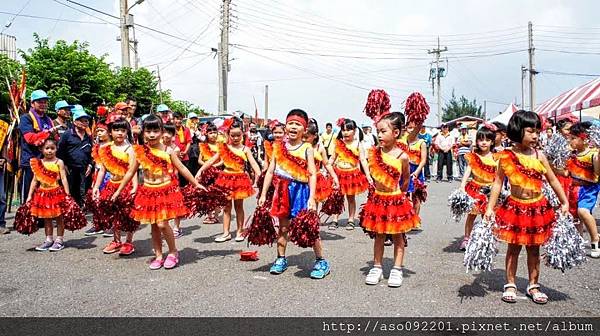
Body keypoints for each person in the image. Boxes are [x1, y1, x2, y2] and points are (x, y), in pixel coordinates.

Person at [485, 110, 568, 304]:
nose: (535, 136)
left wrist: (564, 201)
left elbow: (553, 180)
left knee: (534, 249)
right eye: (530, 131)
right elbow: (497, 183)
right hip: (515, 208)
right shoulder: (506, 156)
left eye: (537, 131)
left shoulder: (540, 155)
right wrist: (490, 208)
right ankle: (511, 284)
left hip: (537, 208)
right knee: (513, 248)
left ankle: (533, 285)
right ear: (517, 130)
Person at [111, 115, 203, 270]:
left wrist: (196, 183)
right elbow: (129, 172)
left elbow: (182, 168)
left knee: (162, 223)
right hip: (148, 192)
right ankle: (159, 255)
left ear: (161, 131)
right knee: (154, 226)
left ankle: (173, 252)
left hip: (165, 191)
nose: (152, 134)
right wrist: (118, 191)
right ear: (143, 132)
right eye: (148, 131)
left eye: (155, 130)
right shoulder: (140, 151)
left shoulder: (168, 150)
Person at [258, 109, 331, 279]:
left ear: (304, 130)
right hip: (282, 191)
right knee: (283, 227)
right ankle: (281, 258)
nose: (293, 127)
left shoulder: (307, 148)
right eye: (290, 123)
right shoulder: (278, 147)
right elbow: (270, 172)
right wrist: (262, 195)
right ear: (285, 126)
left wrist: (312, 198)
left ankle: (321, 261)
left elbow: (312, 173)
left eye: (297, 124)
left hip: (301, 191)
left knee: (309, 228)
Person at [361, 112, 419, 287]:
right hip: (378, 199)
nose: (379, 135)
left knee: (397, 236)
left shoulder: (402, 156)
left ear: (395, 133)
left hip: (395, 200)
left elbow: (406, 179)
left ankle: (397, 269)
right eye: (378, 131)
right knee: (379, 235)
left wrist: (399, 195)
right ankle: (377, 267)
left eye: (383, 131)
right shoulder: (374, 153)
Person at [196, 118, 261, 242]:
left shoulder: (245, 149)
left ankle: (239, 231)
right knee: (226, 207)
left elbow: (254, 163)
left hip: (240, 179)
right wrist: (200, 171)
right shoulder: (224, 147)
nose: (236, 138)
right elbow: (211, 160)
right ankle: (226, 233)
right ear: (228, 135)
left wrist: (260, 176)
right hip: (225, 178)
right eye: (233, 135)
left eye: (238, 135)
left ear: (243, 134)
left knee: (239, 206)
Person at [93, 115, 139, 255]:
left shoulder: (130, 149)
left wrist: (135, 187)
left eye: (123, 130)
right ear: (111, 132)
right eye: (116, 130)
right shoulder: (105, 148)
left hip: (127, 186)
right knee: (114, 214)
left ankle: (129, 242)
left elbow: (133, 171)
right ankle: (116, 240)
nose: (120, 133)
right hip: (111, 185)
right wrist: (96, 186)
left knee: (128, 215)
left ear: (127, 132)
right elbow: (102, 169)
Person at [327, 118, 372, 230]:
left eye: (349, 130)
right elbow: (332, 158)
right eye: (343, 130)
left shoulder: (358, 144)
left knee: (350, 198)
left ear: (354, 131)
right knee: (337, 197)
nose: (346, 132)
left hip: (352, 175)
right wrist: (326, 169)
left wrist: (368, 175)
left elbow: (363, 161)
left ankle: (351, 219)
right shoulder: (338, 144)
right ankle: (335, 219)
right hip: (338, 174)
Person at [19, 90, 61, 204]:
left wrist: (54, 136)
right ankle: (28, 220)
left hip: (47, 163)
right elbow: (30, 138)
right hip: (31, 162)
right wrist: (48, 133)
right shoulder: (26, 118)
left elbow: (55, 139)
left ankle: (42, 221)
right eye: (40, 102)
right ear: (32, 103)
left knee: (44, 194)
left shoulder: (48, 120)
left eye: (45, 102)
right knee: (29, 195)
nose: (43, 104)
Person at [27, 138, 70, 251]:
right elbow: (35, 181)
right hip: (43, 194)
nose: (50, 151)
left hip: (56, 193)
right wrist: (29, 195)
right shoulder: (39, 163)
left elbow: (64, 178)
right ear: (41, 149)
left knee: (59, 217)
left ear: (56, 149)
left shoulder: (59, 162)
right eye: (47, 148)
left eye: (52, 148)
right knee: (47, 218)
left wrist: (67, 194)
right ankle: (49, 239)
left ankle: (59, 240)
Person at [458, 125, 497, 250]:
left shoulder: (496, 157)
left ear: (492, 142)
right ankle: (467, 238)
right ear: (477, 141)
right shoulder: (474, 156)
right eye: (481, 139)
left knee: (487, 216)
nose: (484, 142)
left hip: (489, 191)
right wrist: (462, 185)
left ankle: (486, 239)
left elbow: (499, 176)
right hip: (474, 189)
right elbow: (468, 171)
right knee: (471, 215)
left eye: (487, 140)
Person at [567, 122, 600, 258]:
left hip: (589, 189)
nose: (570, 141)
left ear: (584, 138)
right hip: (574, 188)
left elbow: (597, 173)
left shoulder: (593, 154)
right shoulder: (572, 154)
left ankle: (595, 240)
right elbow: (566, 172)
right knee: (575, 218)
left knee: (583, 211)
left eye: (573, 138)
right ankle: (578, 244)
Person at [57, 105, 93, 206]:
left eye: (86, 121)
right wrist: (63, 165)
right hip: (70, 168)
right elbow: (60, 151)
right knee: (71, 190)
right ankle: (70, 211)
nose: (85, 123)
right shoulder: (67, 134)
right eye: (82, 120)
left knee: (83, 191)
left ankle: (80, 211)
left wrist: (90, 165)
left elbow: (92, 152)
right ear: (75, 121)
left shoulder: (88, 136)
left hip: (84, 168)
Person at [84, 120, 112, 236]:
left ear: (109, 132)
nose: (99, 133)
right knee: (96, 200)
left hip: (109, 175)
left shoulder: (112, 146)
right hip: (97, 175)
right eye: (97, 131)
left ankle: (110, 225)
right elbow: (96, 162)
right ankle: (98, 224)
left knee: (108, 201)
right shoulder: (97, 145)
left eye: (102, 131)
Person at [399, 120, 427, 227]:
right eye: (409, 128)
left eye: (413, 128)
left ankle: (415, 219)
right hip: (405, 170)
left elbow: (423, 160)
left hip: (417, 170)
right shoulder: (403, 141)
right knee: (404, 195)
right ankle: (404, 218)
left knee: (416, 196)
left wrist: (416, 172)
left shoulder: (421, 143)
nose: (411, 130)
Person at [305, 119, 339, 204]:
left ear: (315, 135)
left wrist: (334, 177)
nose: (304, 139)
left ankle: (314, 216)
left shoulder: (319, 148)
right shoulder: (299, 146)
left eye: (306, 137)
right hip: (302, 179)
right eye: (302, 136)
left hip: (315, 179)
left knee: (313, 204)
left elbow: (327, 164)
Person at [197, 122, 222, 224]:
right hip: (206, 173)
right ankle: (209, 215)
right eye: (210, 132)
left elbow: (222, 160)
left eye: (215, 132)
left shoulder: (220, 146)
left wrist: (214, 166)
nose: (213, 134)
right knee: (207, 194)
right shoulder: (203, 146)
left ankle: (216, 215)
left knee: (216, 194)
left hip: (217, 172)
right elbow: (199, 160)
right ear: (206, 134)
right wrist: (205, 166)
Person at [172, 112, 192, 187]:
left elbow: (189, 142)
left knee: (184, 178)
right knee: (174, 177)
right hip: (173, 157)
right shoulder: (170, 130)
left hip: (184, 157)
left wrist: (185, 152)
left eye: (180, 119)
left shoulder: (186, 130)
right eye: (177, 119)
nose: (179, 121)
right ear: (173, 119)